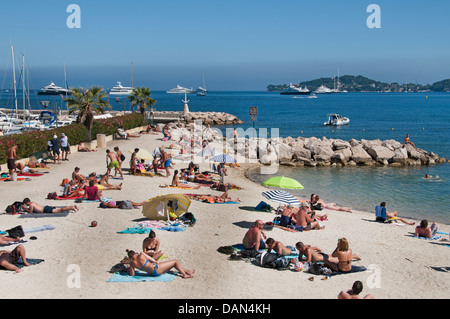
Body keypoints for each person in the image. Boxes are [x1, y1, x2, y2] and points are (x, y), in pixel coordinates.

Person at [124, 250, 194, 279]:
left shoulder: (132, 264)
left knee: (172, 265)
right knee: (175, 262)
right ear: (135, 254)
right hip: (156, 269)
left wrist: (129, 270)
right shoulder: (141, 254)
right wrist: (156, 262)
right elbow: (152, 260)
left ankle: (187, 271)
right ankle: (184, 274)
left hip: (152, 274)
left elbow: (132, 275)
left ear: (130, 257)